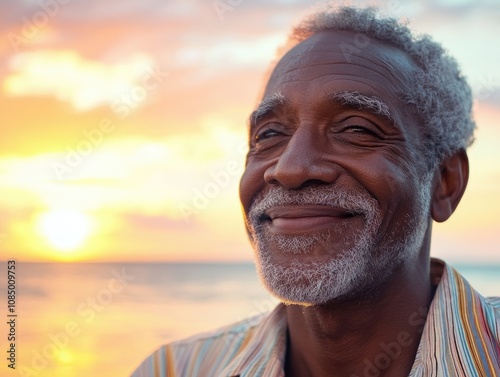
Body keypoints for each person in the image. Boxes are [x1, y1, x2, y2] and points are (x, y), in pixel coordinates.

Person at [131, 4, 500, 377]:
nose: (290, 169)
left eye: (356, 129)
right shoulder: (173, 369)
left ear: (446, 182)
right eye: (269, 135)